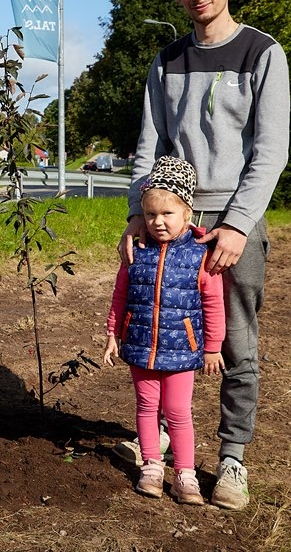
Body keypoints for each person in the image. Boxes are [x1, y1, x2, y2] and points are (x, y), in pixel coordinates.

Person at [118, 0, 290, 510]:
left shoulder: (263, 53)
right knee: (157, 330)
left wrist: (239, 224)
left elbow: (270, 150)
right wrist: (139, 215)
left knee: (233, 342)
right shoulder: (166, 62)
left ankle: (233, 457)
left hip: (234, 218)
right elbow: (149, 146)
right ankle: (165, 435)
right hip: (171, 219)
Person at [104, 156, 225, 504]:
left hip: (182, 350)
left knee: (177, 412)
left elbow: (213, 303)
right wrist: (113, 333)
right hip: (140, 344)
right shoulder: (137, 250)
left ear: (188, 213)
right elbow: (121, 295)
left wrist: (213, 346)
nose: (158, 222)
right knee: (145, 407)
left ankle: (185, 473)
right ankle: (152, 465)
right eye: (151, 214)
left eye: (167, 214)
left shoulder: (200, 255)